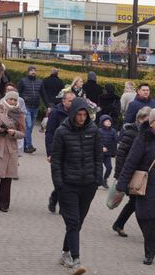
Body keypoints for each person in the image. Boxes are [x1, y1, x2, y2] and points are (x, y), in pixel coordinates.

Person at [116, 108, 155, 265]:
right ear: (151, 123)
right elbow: (131, 162)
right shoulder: (142, 138)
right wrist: (121, 184)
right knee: (146, 218)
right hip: (146, 185)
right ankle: (149, 252)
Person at [51, 98, 102, 272]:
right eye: (78, 115)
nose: (81, 118)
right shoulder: (61, 132)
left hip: (88, 185)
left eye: (84, 115)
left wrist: (97, 180)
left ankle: (65, 253)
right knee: (73, 222)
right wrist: (59, 185)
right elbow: (56, 161)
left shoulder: (93, 130)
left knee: (77, 223)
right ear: (72, 114)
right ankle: (76, 260)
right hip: (68, 185)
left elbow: (98, 157)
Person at [112, 106, 152, 238]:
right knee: (138, 203)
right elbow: (121, 153)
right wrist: (119, 175)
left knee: (134, 203)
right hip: (132, 174)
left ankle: (119, 223)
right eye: (148, 119)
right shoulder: (132, 132)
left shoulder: (149, 133)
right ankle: (149, 235)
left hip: (143, 175)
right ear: (140, 119)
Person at [45, 91, 76, 213]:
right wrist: (49, 152)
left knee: (68, 180)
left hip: (72, 152)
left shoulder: (78, 113)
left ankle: (62, 204)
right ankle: (54, 198)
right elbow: (50, 133)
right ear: (63, 101)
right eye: (70, 101)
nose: (72, 103)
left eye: (74, 101)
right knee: (59, 179)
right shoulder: (55, 113)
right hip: (58, 151)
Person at [18, 65, 43, 153]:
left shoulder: (39, 82)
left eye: (35, 70)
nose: (33, 72)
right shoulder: (23, 81)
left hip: (35, 107)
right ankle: (29, 145)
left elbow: (43, 94)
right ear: (28, 71)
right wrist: (23, 99)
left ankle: (25, 145)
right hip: (26, 107)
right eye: (32, 70)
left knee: (30, 128)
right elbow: (19, 93)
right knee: (28, 126)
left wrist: (48, 105)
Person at [98, 115, 117, 189]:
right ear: (102, 122)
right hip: (100, 153)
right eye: (106, 121)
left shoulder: (113, 131)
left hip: (108, 154)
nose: (109, 122)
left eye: (109, 121)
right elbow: (97, 141)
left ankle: (104, 179)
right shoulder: (99, 131)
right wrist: (102, 147)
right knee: (99, 169)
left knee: (109, 168)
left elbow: (116, 140)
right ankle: (98, 180)